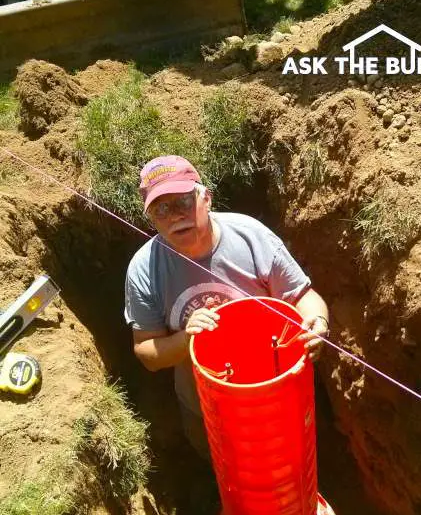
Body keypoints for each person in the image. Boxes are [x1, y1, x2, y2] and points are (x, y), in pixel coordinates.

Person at [124, 155, 330, 459]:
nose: (175, 216)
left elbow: (303, 297)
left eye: (182, 201)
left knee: (289, 464)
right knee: (225, 470)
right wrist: (187, 339)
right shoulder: (144, 269)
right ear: (151, 217)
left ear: (206, 198)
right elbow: (146, 353)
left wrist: (318, 322)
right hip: (204, 409)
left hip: (276, 399)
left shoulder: (251, 237)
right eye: (161, 209)